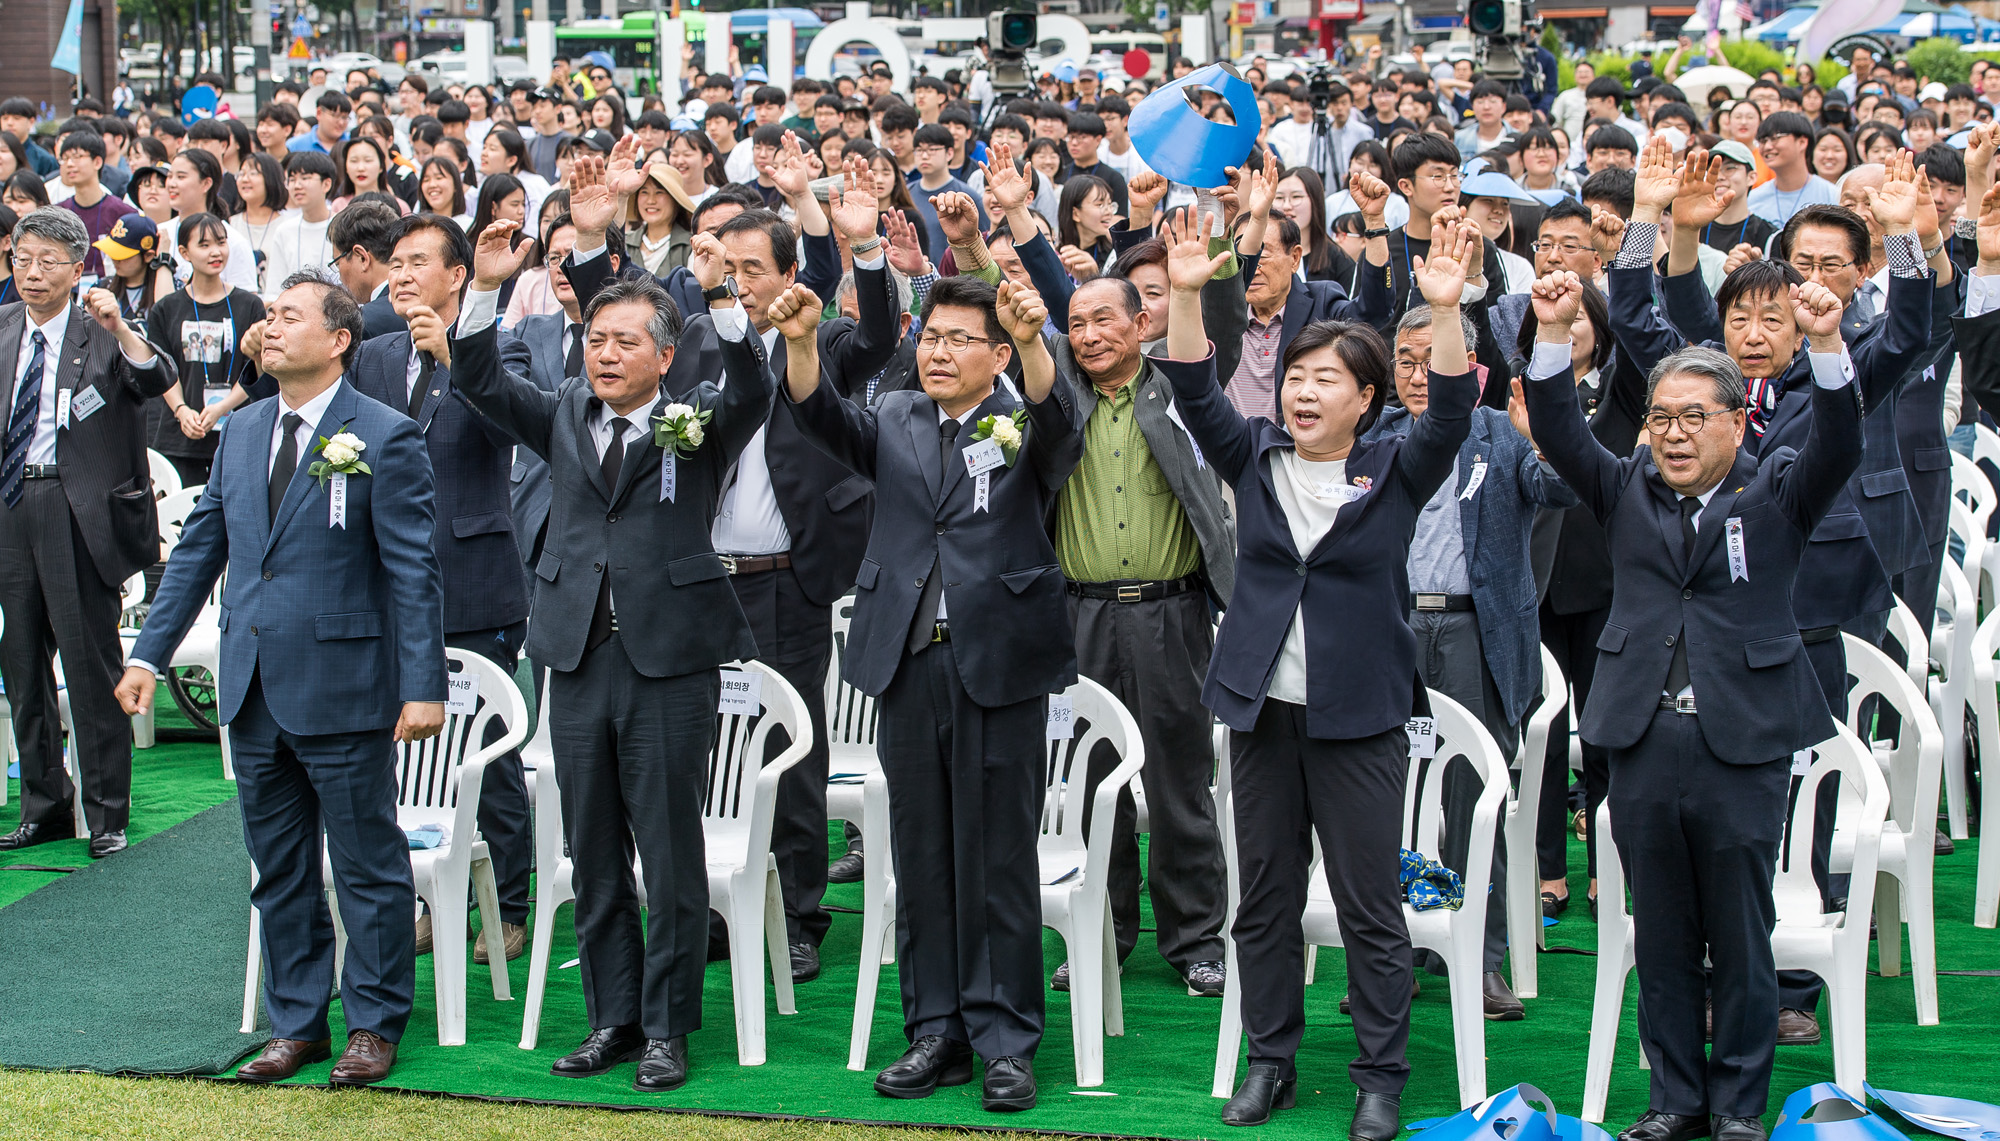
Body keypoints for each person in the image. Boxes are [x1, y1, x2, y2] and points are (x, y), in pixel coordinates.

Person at [447, 164, 776, 1095]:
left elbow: (753, 388)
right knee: (591, 848)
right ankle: (612, 1018)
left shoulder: (697, 420)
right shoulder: (561, 412)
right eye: (596, 339)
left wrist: (724, 297)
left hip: (670, 657)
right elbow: (477, 377)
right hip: (576, 652)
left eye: (628, 341)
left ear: (666, 356)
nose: (606, 354)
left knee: (669, 852)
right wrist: (483, 289)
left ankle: (668, 1027)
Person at [1519, 265, 1863, 1141]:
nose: (1673, 435)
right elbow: (1556, 426)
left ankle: (1740, 1104)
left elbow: (1840, 441)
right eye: (1660, 418)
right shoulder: (1624, 485)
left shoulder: (1777, 486)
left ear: (1735, 421)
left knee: (1741, 929)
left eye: (1692, 418)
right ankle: (1675, 1097)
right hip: (1639, 735)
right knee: (1661, 928)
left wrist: (1827, 342)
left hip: (1742, 739)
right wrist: (1552, 330)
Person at [1162, 216, 1482, 1131]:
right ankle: (1271, 1061)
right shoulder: (1256, 458)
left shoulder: (1395, 469)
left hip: (1359, 718)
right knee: (1263, 900)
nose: (1304, 392)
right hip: (1263, 713)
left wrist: (1446, 311)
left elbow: (1450, 413)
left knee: (1367, 905)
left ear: (1366, 397)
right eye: (1296, 377)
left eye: (1326, 379)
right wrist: (1184, 293)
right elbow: (1193, 387)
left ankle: (1380, 1078)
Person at [120, 270, 445, 1087]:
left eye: (288, 315)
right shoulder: (241, 429)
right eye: (267, 313)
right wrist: (148, 654)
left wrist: (423, 684)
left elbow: (414, 571)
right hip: (252, 686)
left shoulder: (385, 434)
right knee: (280, 868)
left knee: (368, 864)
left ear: (338, 339)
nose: (269, 326)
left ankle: (372, 1023)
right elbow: (199, 550)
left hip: (345, 684)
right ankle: (296, 1022)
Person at [780, 257, 1080, 1111]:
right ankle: (936, 1030)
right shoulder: (896, 415)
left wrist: (1036, 344)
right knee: (921, 851)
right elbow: (817, 414)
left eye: (959, 340)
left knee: (999, 857)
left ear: (997, 353)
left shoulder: (1021, 417)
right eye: (931, 337)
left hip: (999, 659)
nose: (938, 352)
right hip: (908, 657)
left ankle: (1006, 1040)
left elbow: (1062, 430)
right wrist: (800, 342)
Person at [1036, 207, 1237, 1001]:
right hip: (1078, 616)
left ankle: (1195, 940)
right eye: (1077, 324)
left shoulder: (1178, 391)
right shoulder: (1059, 402)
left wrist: (1198, 280)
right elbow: (1023, 320)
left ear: (1141, 323)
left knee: (1180, 780)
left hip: (1171, 614)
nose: (1088, 336)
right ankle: (1101, 934)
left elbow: (1213, 331)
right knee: (1091, 782)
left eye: (1104, 320)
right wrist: (1007, 229)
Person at [1371, 297, 1579, 1021]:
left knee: (1471, 796)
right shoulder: (1374, 437)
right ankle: (1391, 956)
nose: (1419, 376)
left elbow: (1564, 490)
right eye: (1406, 362)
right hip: (1393, 630)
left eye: (1433, 361)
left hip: (1473, 632)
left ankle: (1481, 957)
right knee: (1385, 797)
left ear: (1471, 368)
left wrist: (1544, 439)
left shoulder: (1500, 433)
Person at [349, 213, 537, 965]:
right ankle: (429, 898)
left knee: (483, 753)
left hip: (472, 578)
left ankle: (511, 904)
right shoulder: (371, 354)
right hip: (387, 585)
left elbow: (507, 430)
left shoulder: (498, 346)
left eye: (417, 261)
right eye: (394, 262)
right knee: (403, 755)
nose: (401, 274)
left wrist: (455, 358)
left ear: (458, 275)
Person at [0, 208, 176, 857]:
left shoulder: (100, 329)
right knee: (21, 663)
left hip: (77, 508)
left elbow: (157, 378)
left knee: (88, 662)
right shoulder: (4, 325)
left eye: (48, 262)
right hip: (11, 501)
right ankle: (44, 805)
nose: (32, 273)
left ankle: (106, 813)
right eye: (22, 259)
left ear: (78, 270)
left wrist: (122, 327)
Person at [143, 212, 266, 487]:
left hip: (236, 429)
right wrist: (181, 410)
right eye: (204, 244)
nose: (216, 252)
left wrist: (222, 407)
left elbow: (255, 368)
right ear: (184, 252)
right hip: (180, 435)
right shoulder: (166, 308)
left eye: (221, 242)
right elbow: (163, 368)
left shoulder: (249, 305)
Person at [326, 200, 405, 340]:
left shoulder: (363, 322)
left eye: (338, 264)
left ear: (362, 258)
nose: (339, 278)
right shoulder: (423, 303)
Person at [1748, 112, 1837, 227]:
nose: (1767, 147)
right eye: (1763, 141)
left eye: (1775, 138)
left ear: (1802, 142)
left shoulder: (1831, 195)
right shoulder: (1753, 199)